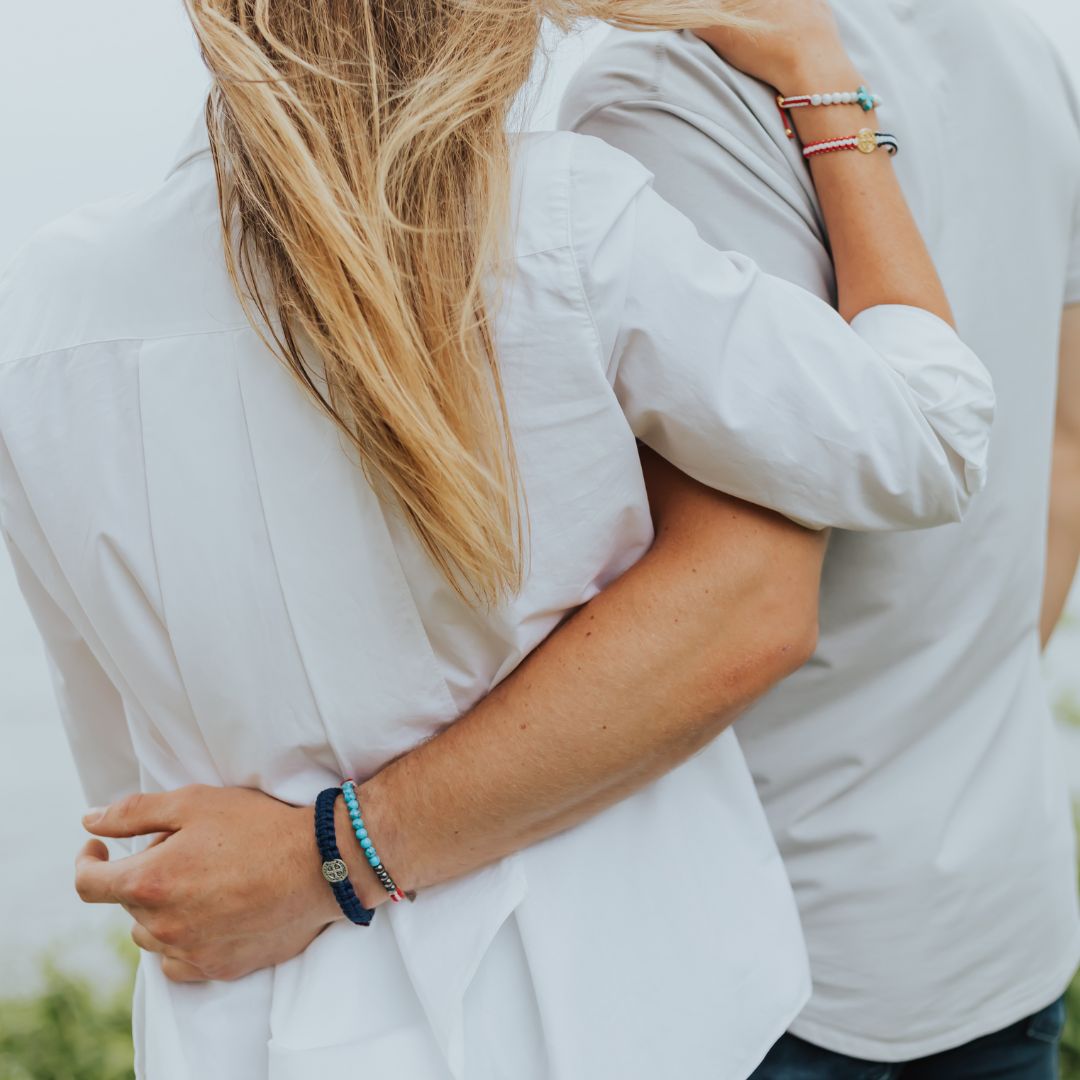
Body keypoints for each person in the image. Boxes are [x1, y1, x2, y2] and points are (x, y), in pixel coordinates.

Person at [0, 1, 993, 1077]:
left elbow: (129, 771)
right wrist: (817, 73)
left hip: (253, 1031)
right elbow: (931, 441)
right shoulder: (565, 222)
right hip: (621, 1019)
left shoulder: (47, 313)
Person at [557, 0, 1080, 1075]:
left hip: (767, 965)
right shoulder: (1021, 49)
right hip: (996, 917)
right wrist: (941, 719)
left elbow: (742, 607)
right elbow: (1063, 454)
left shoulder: (660, 105)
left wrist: (332, 854)